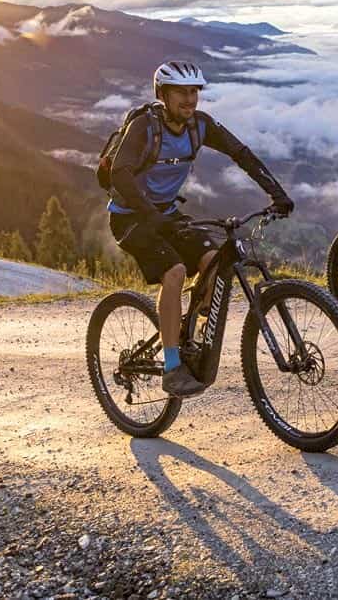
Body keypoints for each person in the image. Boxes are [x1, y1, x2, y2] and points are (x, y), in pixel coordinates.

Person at [109, 60, 294, 397]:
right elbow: (119, 173)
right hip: (131, 216)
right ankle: (172, 364)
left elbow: (241, 153)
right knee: (175, 271)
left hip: (165, 213)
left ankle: (186, 331)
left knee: (214, 259)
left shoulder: (200, 126)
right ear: (163, 94)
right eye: (182, 92)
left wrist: (276, 192)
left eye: (195, 91)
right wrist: (150, 215)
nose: (190, 99)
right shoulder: (145, 127)